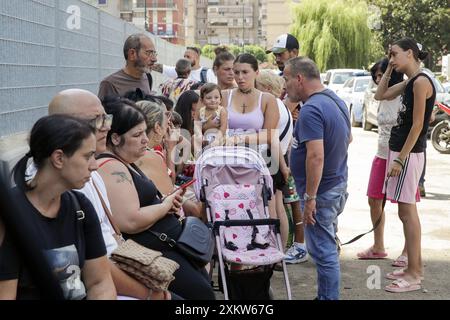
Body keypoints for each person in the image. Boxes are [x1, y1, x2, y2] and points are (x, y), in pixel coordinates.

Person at [47, 89, 172, 300]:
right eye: (97, 120)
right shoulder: (66, 186)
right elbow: (96, 266)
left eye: (106, 117)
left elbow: (104, 252)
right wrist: (151, 294)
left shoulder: (91, 173)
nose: (106, 125)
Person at [97, 98, 216, 300]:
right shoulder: (111, 166)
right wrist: (166, 205)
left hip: (164, 248)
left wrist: (164, 204)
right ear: (115, 138)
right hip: (153, 253)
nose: (146, 139)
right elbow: (130, 220)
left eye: (145, 131)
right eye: (137, 134)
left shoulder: (125, 161)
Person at [0, 115, 116, 300]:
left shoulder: (81, 207)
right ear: (59, 158)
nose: (94, 166)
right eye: (88, 156)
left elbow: (100, 283)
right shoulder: (11, 214)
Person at [284, 57, 350, 300]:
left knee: (323, 252)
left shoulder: (312, 109)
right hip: (335, 185)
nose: (285, 84)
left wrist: (310, 197)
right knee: (326, 247)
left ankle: (328, 298)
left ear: (299, 79)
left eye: (287, 78)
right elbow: (347, 140)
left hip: (321, 192)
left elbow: (315, 157)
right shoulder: (335, 100)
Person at [375, 38, 435, 293]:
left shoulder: (421, 82)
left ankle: (414, 273)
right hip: (400, 150)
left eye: (395, 54)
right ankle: (412, 266)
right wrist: (390, 68)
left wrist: (400, 159)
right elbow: (380, 94)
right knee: (403, 211)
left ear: (410, 54)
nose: (391, 58)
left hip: (408, 154)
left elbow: (419, 125)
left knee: (408, 213)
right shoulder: (411, 81)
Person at [357, 59, 408, 263]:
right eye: (376, 76)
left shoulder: (406, 93)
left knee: (405, 206)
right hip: (381, 154)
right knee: (374, 200)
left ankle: (408, 251)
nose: (378, 79)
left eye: (382, 75)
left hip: (400, 156)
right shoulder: (381, 96)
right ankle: (378, 246)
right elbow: (379, 95)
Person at [98, 34, 157, 100]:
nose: (154, 59)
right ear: (132, 54)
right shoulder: (110, 84)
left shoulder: (148, 77)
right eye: (148, 53)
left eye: (154, 53)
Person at [152, 46, 217, 84]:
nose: (185, 59)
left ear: (197, 58)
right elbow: (162, 68)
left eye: (188, 57)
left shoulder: (207, 73)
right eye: (184, 56)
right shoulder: (179, 70)